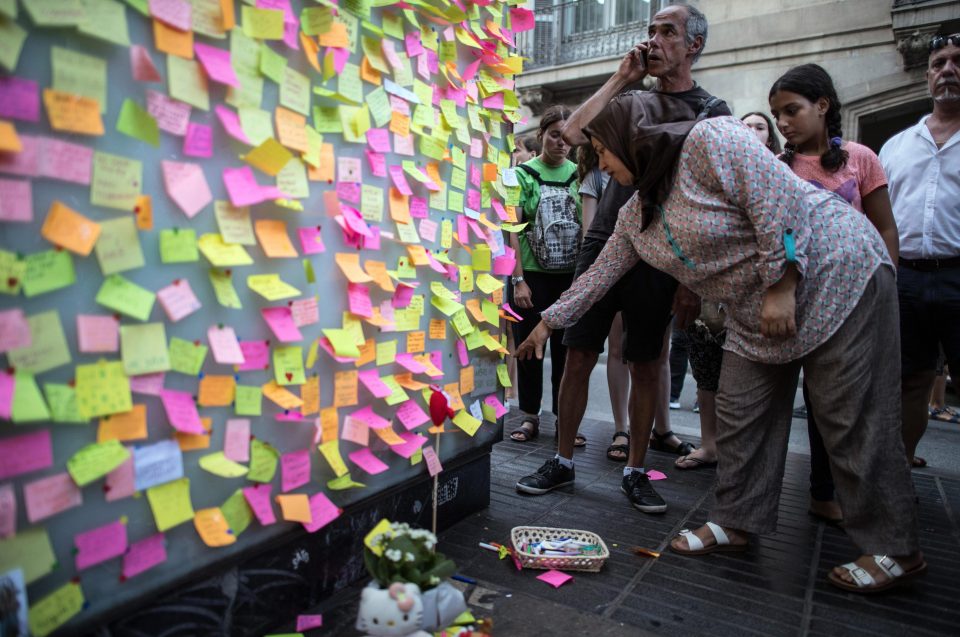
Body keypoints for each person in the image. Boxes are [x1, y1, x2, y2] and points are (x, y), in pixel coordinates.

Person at [518, 92, 924, 593]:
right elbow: (596, 277)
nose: (598, 162)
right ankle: (736, 521)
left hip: (836, 271)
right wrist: (547, 324)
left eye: (601, 149)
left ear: (631, 139)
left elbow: (783, 197)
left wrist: (782, 282)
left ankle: (895, 548)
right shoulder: (634, 215)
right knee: (740, 411)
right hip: (756, 310)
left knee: (850, 417)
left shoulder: (710, 139)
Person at [514, 4, 727, 513]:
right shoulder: (632, 98)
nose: (654, 40)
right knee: (580, 352)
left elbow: (714, 197)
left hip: (662, 253)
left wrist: (690, 279)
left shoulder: (711, 109)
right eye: (650, 30)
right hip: (607, 237)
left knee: (647, 359)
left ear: (692, 45)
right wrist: (620, 75)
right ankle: (562, 462)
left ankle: (634, 470)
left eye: (667, 32)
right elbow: (571, 134)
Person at [769, 63, 899, 521]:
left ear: (822, 106)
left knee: (843, 404)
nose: (783, 123)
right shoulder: (777, 167)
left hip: (854, 302)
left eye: (792, 110)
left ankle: (848, 492)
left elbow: (884, 228)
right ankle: (819, 492)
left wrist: (886, 289)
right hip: (797, 299)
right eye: (776, 114)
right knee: (804, 400)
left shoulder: (860, 159)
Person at [880, 33, 960, 467]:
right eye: (938, 63)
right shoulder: (896, 146)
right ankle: (899, 470)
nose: (947, 69)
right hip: (905, 278)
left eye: (956, 61)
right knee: (909, 380)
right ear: (928, 75)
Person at [507, 105, 581, 444]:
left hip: (570, 278)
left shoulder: (580, 174)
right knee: (528, 348)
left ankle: (564, 418)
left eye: (567, 138)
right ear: (541, 136)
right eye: (554, 135)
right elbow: (513, 228)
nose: (561, 143)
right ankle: (529, 416)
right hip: (531, 278)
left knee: (567, 352)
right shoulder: (522, 175)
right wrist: (518, 280)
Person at [577, 144, 631, 460]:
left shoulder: (649, 166)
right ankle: (621, 428)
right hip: (607, 269)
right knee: (617, 350)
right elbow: (591, 233)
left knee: (653, 357)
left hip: (649, 268)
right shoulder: (596, 177)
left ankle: (658, 428)